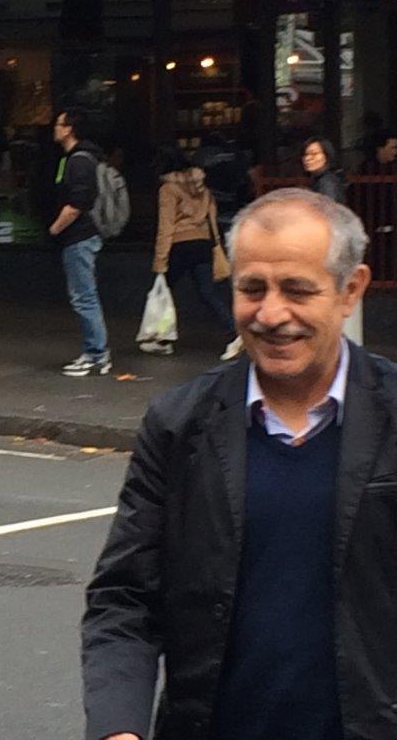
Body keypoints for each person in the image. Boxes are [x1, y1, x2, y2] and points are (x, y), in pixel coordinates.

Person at [81, 187, 397, 740]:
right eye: (252, 289)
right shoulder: (179, 424)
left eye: (297, 290)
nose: (271, 314)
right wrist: (118, 728)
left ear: (351, 290)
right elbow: (125, 597)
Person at [147, 144, 240, 360]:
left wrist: (160, 260)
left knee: (163, 291)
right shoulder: (202, 188)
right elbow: (211, 219)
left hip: (179, 245)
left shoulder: (168, 189)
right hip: (202, 243)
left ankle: (162, 337)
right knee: (208, 293)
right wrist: (216, 245)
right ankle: (234, 331)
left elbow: (166, 225)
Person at [49, 108, 112, 377]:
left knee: (84, 296)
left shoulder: (78, 161)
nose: (54, 127)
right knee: (85, 295)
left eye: (58, 124)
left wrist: (55, 228)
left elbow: (76, 204)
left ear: (69, 129)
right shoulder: (78, 159)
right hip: (83, 235)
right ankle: (96, 352)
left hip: (80, 236)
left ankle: (96, 354)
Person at [302, 136, 346, 203]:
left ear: (327, 156)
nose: (307, 158)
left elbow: (328, 209)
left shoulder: (328, 182)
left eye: (314, 154)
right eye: (305, 154)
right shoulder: (320, 179)